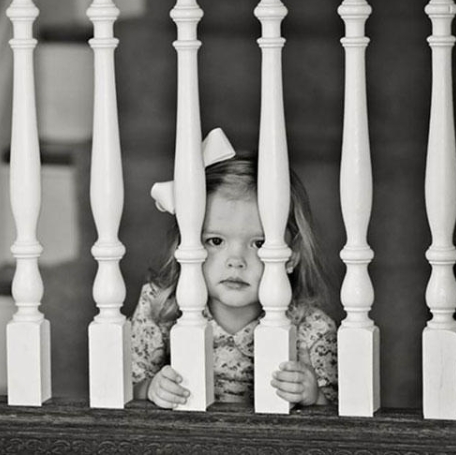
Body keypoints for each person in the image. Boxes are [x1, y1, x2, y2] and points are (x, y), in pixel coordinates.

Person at [131, 130, 337, 408]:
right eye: (216, 241)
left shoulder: (312, 330)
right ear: (188, 245)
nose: (236, 261)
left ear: (293, 254)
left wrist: (314, 396)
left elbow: (342, 420)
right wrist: (151, 389)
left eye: (258, 243)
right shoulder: (161, 308)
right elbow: (122, 386)